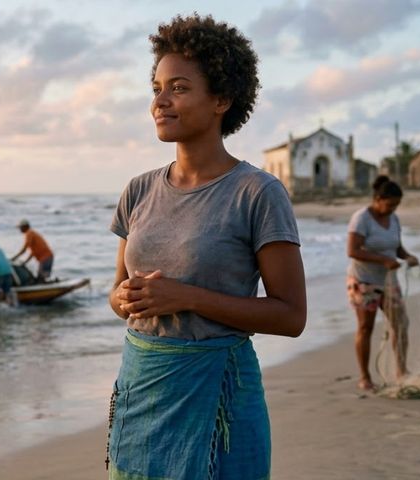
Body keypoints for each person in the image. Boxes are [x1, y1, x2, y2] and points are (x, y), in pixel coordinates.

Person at [106, 14, 306, 479]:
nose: (159, 101)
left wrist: (188, 298)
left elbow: (291, 316)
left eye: (178, 87)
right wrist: (123, 299)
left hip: (220, 397)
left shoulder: (257, 193)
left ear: (221, 99)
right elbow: (119, 295)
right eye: (156, 87)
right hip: (140, 393)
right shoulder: (138, 190)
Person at [347, 175, 419, 391]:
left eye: (396, 205)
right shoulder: (361, 218)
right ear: (378, 199)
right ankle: (365, 377)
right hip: (364, 282)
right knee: (365, 327)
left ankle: (402, 370)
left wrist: (407, 257)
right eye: (389, 205)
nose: (392, 209)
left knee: (401, 325)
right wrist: (384, 260)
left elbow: (396, 247)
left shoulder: (393, 219)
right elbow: (353, 251)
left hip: (389, 282)